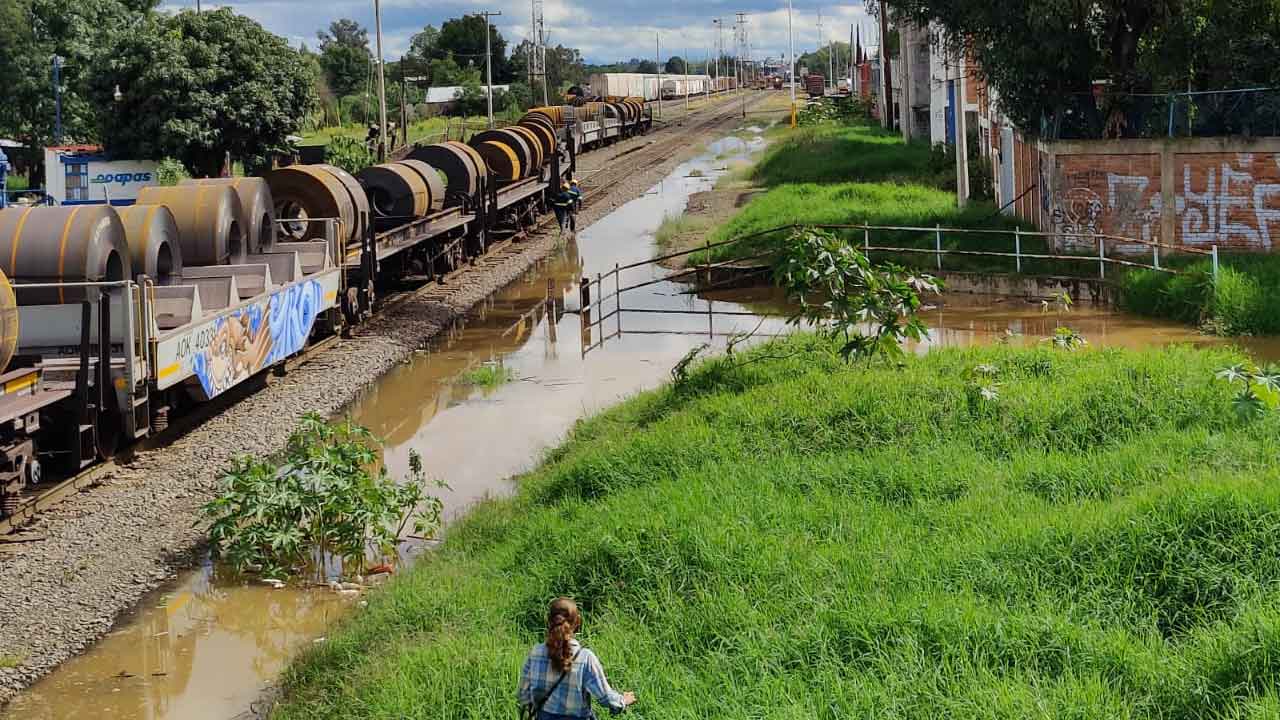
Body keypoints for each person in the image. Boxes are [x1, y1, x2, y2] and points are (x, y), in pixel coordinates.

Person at [518, 597, 635, 719]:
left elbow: (523, 694)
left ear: (548, 621)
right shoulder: (585, 658)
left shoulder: (535, 653)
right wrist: (623, 701)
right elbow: (605, 698)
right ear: (577, 622)